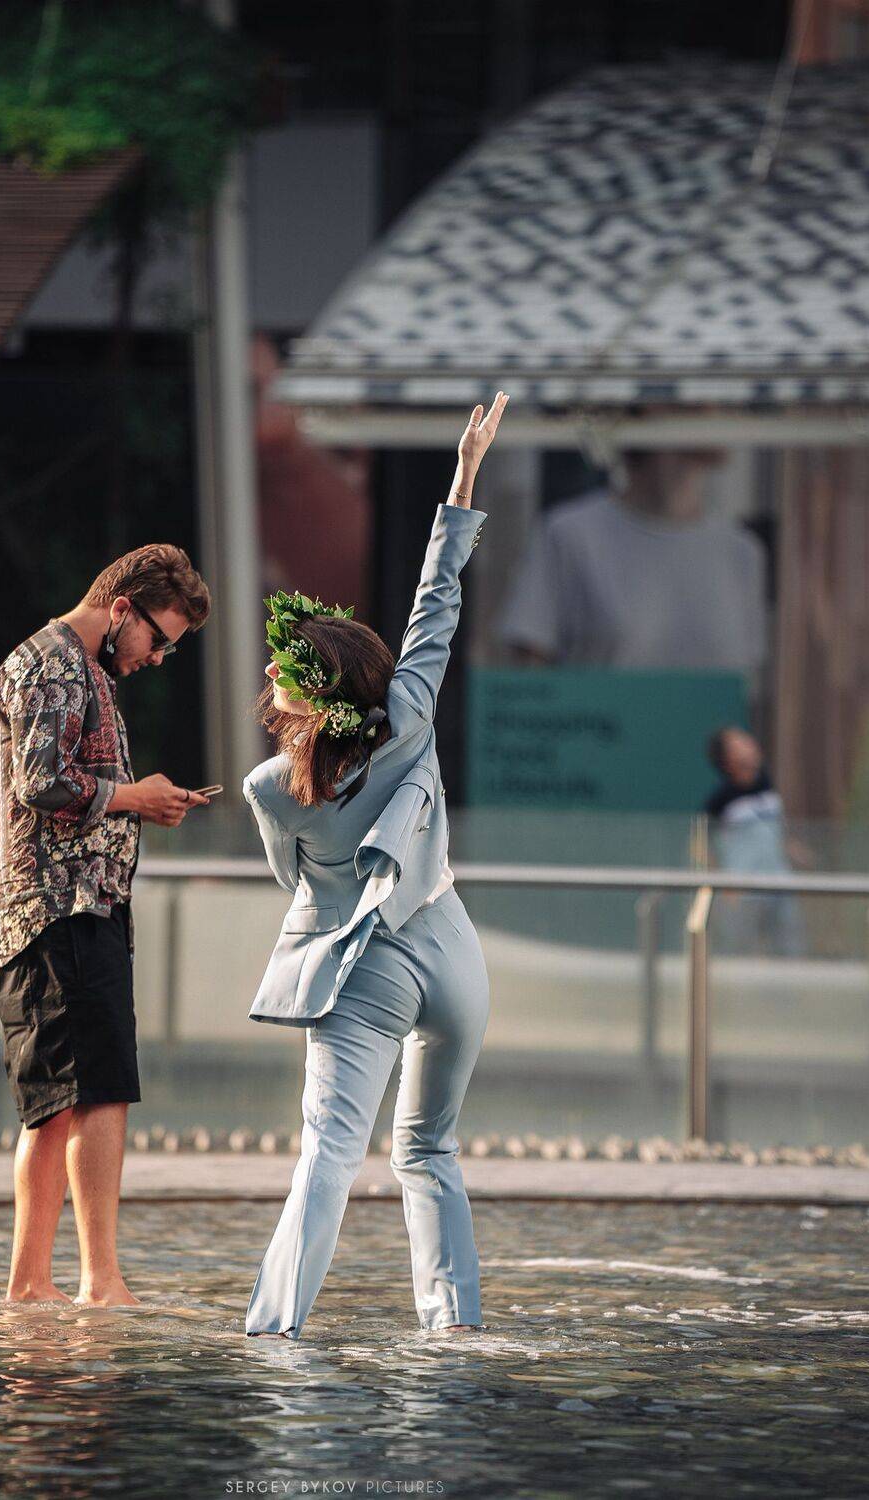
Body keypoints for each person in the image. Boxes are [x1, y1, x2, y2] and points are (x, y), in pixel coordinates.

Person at [241, 393, 508, 1340]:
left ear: (307, 694)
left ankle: (276, 1330)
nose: (267, 680)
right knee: (430, 1150)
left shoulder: (272, 789)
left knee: (327, 1155)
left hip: (363, 971)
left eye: (279, 672)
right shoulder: (409, 718)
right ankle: (454, 1329)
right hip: (454, 952)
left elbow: (297, 885)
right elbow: (439, 596)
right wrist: (463, 478)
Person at [0, 544, 211, 1305]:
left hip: (65, 910)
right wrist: (135, 798)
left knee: (58, 1103)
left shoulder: (79, 669)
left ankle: (35, 1284)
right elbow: (41, 781)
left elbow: (65, 782)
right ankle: (98, 1281)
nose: (157, 658)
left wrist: (146, 800)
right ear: (122, 609)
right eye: (159, 639)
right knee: (93, 1093)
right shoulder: (54, 664)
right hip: (62, 910)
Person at [495, 449, 767, 674]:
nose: (722, 407)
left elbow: (746, 687)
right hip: (599, 734)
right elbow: (527, 678)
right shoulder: (570, 535)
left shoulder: (740, 552)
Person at [704, 725, 806, 958]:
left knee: (790, 951)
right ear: (727, 759)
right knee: (739, 953)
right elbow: (704, 844)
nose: (749, 745)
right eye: (738, 744)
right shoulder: (720, 800)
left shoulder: (767, 786)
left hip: (780, 884)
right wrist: (721, 881)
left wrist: (793, 850)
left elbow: (777, 833)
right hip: (744, 889)